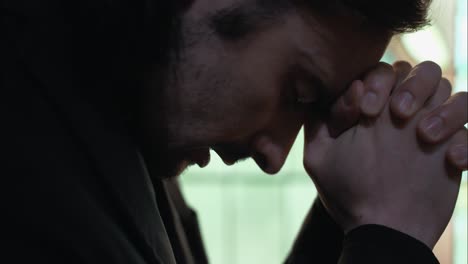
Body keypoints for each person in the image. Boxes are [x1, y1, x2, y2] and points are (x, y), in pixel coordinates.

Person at [1, 0, 467, 263]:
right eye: (298, 91)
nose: (276, 157)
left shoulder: (120, 122)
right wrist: (389, 243)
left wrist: (354, 219)